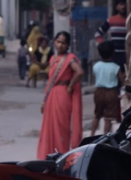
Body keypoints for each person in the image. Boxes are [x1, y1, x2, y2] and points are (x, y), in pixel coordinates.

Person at [37, 31, 85, 159]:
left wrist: (70, 86)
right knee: (50, 129)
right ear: (54, 42)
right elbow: (50, 81)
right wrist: (44, 101)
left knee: (61, 128)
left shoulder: (70, 59)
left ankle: (62, 157)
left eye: (63, 43)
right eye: (58, 42)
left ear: (68, 44)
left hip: (63, 95)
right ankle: (49, 158)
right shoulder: (53, 58)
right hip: (52, 95)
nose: (60, 45)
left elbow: (79, 72)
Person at [90, 41, 125, 136]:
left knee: (97, 115)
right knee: (108, 118)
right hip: (111, 93)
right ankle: (105, 137)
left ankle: (92, 135)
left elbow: (95, 76)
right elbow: (122, 80)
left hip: (99, 92)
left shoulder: (96, 66)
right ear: (113, 53)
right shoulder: (116, 67)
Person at [99, 1, 129, 68]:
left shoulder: (129, 21)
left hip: (126, 55)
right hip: (113, 55)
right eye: (121, 4)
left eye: (124, 4)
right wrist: (103, 47)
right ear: (117, 7)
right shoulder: (111, 20)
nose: (123, 7)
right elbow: (98, 34)